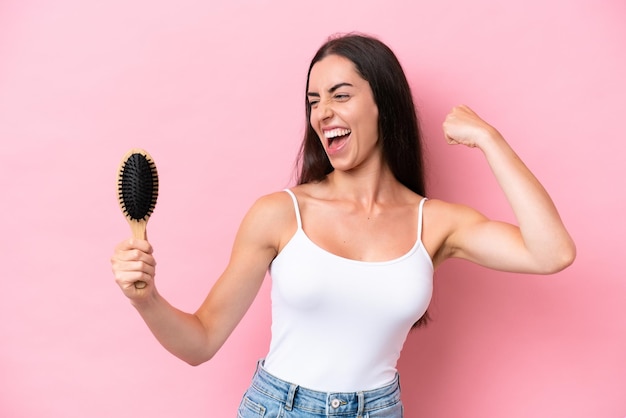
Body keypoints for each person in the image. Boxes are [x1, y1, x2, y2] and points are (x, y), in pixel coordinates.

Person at [111, 33, 575, 417]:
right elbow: (201, 342)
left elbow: (551, 252)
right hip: (279, 407)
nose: (322, 112)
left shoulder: (433, 223)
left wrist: (489, 139)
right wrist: (146, 299)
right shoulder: (279, 213)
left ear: (384, 105)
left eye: (341, 95)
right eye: (314, 100)